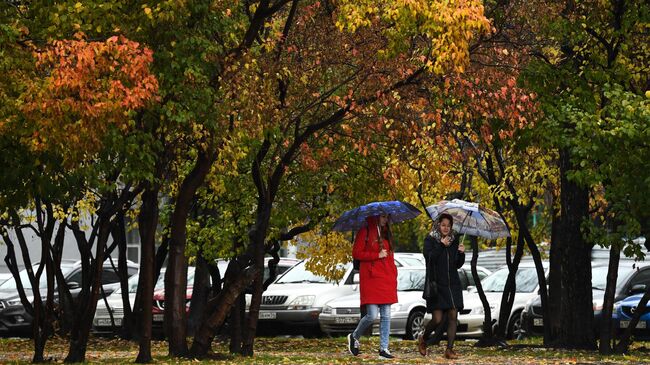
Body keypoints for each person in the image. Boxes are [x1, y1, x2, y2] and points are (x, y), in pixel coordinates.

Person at [347, 214, 398, 359]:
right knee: (372, 315)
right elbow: (356, 253)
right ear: (376, 217)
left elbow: (390, 256)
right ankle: (354, 336)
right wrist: (376, 254)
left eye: (387, 217)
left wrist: (393, 273)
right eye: (382, 217)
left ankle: (384, 348)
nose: (385, 219)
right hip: (371, 278)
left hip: (386, 278)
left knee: (387, 315)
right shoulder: (365, 231)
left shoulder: (387, 232)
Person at [418, 213, 465, 359]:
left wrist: (461, 254)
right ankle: (423, 339)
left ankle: (449, 349)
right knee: (437, 319)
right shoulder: (430, 239)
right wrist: (440, 245)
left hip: (452, 285)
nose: (446, 228)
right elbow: (430, 258)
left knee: (453, 315)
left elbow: (457, 264)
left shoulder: (454, 240)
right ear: (438, 225)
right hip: (437, 285)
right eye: (443, 225)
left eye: (448, 226)